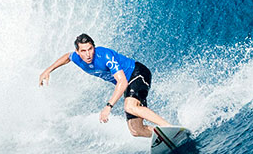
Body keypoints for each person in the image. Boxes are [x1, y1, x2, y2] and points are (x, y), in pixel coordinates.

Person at [38, 33, 174, 138]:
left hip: (137, 74)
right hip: (127, 84)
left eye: (90, 49)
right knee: (136, 130)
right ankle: (163, 135)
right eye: (83, 51)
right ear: (78, 52)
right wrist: (48, 70)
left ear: (94, 48)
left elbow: (122, 82)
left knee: (130, 106)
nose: (88, 54)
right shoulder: (77, 57)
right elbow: (67, 57)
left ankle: (168, 127)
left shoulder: (105, 56)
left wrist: (108, 107)